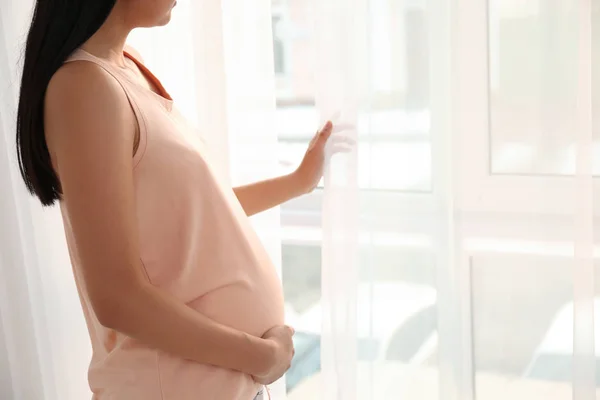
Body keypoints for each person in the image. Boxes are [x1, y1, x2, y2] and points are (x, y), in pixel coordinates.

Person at [15, 0, 344, 399]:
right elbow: (117, 298)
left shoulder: (126, 68)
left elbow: (199, 214)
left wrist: (297, 183)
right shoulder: (84, 87)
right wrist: (258, 356)